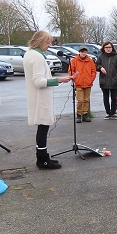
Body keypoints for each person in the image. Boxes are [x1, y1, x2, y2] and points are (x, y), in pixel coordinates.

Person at [23, 31, 72, 170]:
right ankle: (43, 160)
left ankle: (43, 156)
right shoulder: (37, 57)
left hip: (37, 97)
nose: (49, 46)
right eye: (47, 43)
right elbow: (38, 81)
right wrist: (59, 79)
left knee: (42, 127)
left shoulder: (30, 54)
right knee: (43, 127)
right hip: (40, 97)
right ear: (39, 41)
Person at [96, 41, 117, 120]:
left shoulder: (116, 57)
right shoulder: (101, 57)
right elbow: (96, 65)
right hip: (104, 80)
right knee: (105, 97)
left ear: (112, 48)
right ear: (104, 48)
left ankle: (113, 112)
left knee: (114, 98)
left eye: (109, 47)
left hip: (113, 80)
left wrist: (116, 77)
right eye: (106, 47)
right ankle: (108, 113)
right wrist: (100, 68)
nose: (108, 49)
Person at [68, 46, 96, 123]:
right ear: (79, 52)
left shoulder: (90, 61)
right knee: (80, 100)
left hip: (88, 83)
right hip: (78, 83)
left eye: (85, 52)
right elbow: (70, 70)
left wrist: (91, 79)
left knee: (86, 100)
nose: (83, 53)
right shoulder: (74, 60)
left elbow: (93, 71)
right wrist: (75, 79)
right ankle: (79, 115)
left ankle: (85, 114)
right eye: (82, 52)